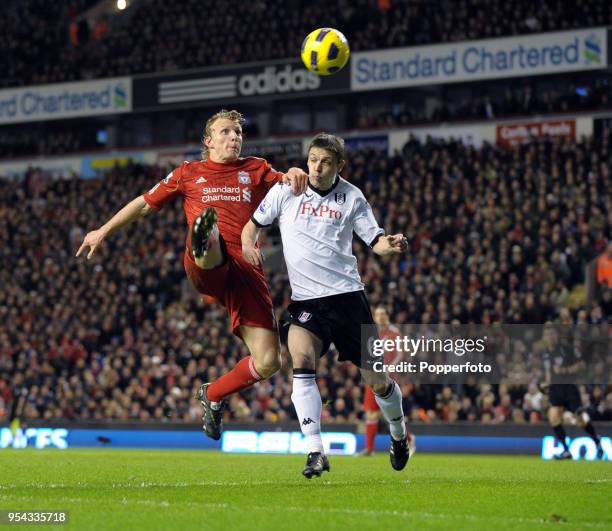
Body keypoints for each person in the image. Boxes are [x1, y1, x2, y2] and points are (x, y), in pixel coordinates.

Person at [76, 109, 308, 440]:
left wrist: (297, 172)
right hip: (205, 265)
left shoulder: (257, 168)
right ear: (208, 140)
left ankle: (212, 395)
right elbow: (144, 204)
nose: (234, 137)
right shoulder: (188, 173)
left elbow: (291, 182)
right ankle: (205, 235)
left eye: (238, 132)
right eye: (226, 132)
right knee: (209, 243)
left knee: (270, 361)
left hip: (245, 270)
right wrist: (104, 229)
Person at [242, 132, 415, 478]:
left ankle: (398, 434)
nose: (317, 168)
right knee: (301, 362)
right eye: (313, 160)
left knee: (377, 381)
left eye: (325, 162)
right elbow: (251, 228)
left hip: (349, 300)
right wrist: (248, 245)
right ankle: (315, 451)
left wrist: (391, 244)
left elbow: (375, 241)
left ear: (340, 166)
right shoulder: (285, 190)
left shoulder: (352, 197)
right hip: (306, 302)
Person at [541, 323, 604, 460]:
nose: (550, 337)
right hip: (555, 388)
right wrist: (546, 385)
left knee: (580, 419)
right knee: (553, 416)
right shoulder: (545, 352)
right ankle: (566, 450)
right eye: (547, 334)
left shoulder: (566, 349)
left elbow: (582, 365)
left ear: (556, 335)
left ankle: (597, 441)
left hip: (569, 388)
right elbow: (548, 372)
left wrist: (565, 370)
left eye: (552, 334)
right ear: (544, 337)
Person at [361, 306, 402, 456]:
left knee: (390, 414)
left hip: (388, 377)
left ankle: (408, 439)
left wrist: (390, 369)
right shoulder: (372, 333)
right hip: (372, 376)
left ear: (387, 315)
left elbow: (400, 354)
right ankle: (369, 449)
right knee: (371, 413)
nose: (380, 316)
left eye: (383, 313)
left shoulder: (394, 332)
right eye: (377, 314)